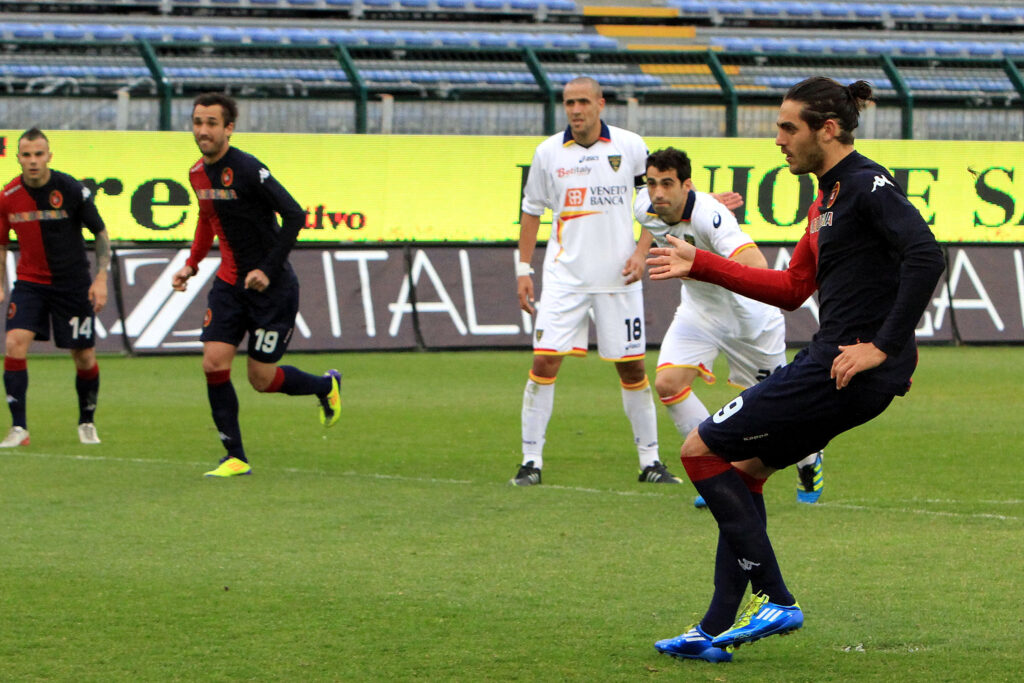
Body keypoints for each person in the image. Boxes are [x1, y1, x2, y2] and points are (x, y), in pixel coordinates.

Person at [646, 77, 944, 662]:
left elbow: (926, 254)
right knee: (743, 471)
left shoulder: (865, 184)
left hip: (840, 366)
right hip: (843, 369)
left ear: (826, 130)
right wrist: (701, 264)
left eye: (788, 128)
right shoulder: (826, 202)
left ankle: (777, 597)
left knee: (699, 452)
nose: (778, 139)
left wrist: (882, 347)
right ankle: (709, 632)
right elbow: (790, 289)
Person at [510, 76, 681, 486]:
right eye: (569, 103)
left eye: (583, 102)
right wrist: (523, 269)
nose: (576, 110)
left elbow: (653, 206)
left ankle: (650, 461)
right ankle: (531, 461)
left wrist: (642, 253)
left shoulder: (631, 146)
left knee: (632, 369)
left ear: (600, 104)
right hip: (564, 279)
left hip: (619, 280)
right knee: (544, 361)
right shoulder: (548, 152)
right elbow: (531, 210)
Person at [635, 147, 824, 508]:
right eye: (652, 183)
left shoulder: (711, 217)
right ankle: (721, 471)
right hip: (698, 313)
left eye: (667, 184)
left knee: (782, 410)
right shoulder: (644, 204)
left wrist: (708, 217)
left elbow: (756, 264)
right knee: (668, 383)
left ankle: (809, 458)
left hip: (749, 319)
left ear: (686, 185)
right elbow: (649, 221)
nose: (657, 192)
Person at [172, 92, 342, 478]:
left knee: (261, 380)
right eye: (198, 122)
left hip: (273, 290)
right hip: (229, 285)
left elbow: (295, 215)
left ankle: (325, 386)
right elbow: (206, 220)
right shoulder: (197, 173)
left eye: (212, 123)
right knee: (213, 363)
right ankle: (235, 456)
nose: (203, 130)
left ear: (229, 128)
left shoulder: (248, 170)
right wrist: (191, 264)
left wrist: (267, 268)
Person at [0, 127, 110, 447]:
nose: (33, 161)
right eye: (26, 155)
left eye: (38, 154)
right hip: (30, 284)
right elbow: (2, 244)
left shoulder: (71, 189)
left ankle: (86, 422)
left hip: (72, 284)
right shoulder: (7, 197)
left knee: (84, 357)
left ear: (49, 155)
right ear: (18, 157)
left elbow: (101, 234)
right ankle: (19, 428)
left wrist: (100, 278)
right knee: (14, 344)